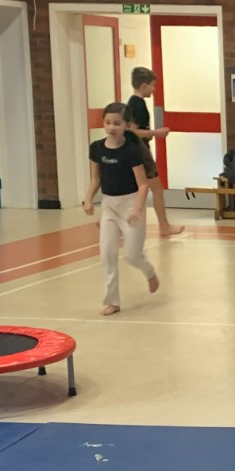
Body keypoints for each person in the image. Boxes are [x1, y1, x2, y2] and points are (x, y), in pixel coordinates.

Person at [84, 102, 160, 316]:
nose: (111, 127)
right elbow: (95, 178)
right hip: (109, 205)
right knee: (107, 254)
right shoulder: (96, 148)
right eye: (107, 122)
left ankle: (149, 271)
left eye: (117, 123)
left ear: (127, 125)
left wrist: (137, 209)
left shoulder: (132, 151)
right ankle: (112, 301)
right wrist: (88, 200)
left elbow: (143, 185)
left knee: (133, 255)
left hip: (131, 204)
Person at [125, 67, 184, 236]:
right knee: (156, 189)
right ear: (144, 86)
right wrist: (155, 133)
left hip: (140, 150)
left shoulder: (135, 103)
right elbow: (132, 132)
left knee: (136, 190)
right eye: (152, 86)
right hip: (141, 152)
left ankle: (120, 224)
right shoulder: (137, 105)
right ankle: (164, 226)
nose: (154, 89)